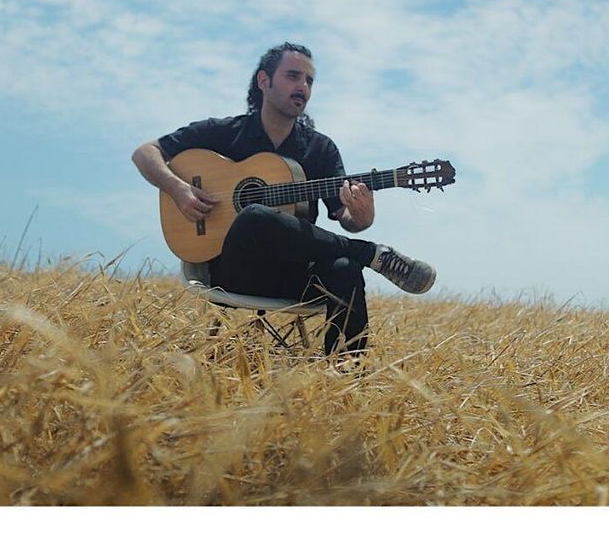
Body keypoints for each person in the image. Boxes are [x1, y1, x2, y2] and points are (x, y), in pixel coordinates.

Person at [132, 42, 436, 360]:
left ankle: (346, 379)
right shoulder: (225, 133)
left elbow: (345, 216)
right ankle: (372, 254)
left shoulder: (320, 149)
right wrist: (179, 189)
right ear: (264, 81)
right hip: (233, 272)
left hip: (295, 275)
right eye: (293, 76)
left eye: (309, 81)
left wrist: (363, 215)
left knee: (345, 267)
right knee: (254, 216)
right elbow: (145, 153)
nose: (302, 87)